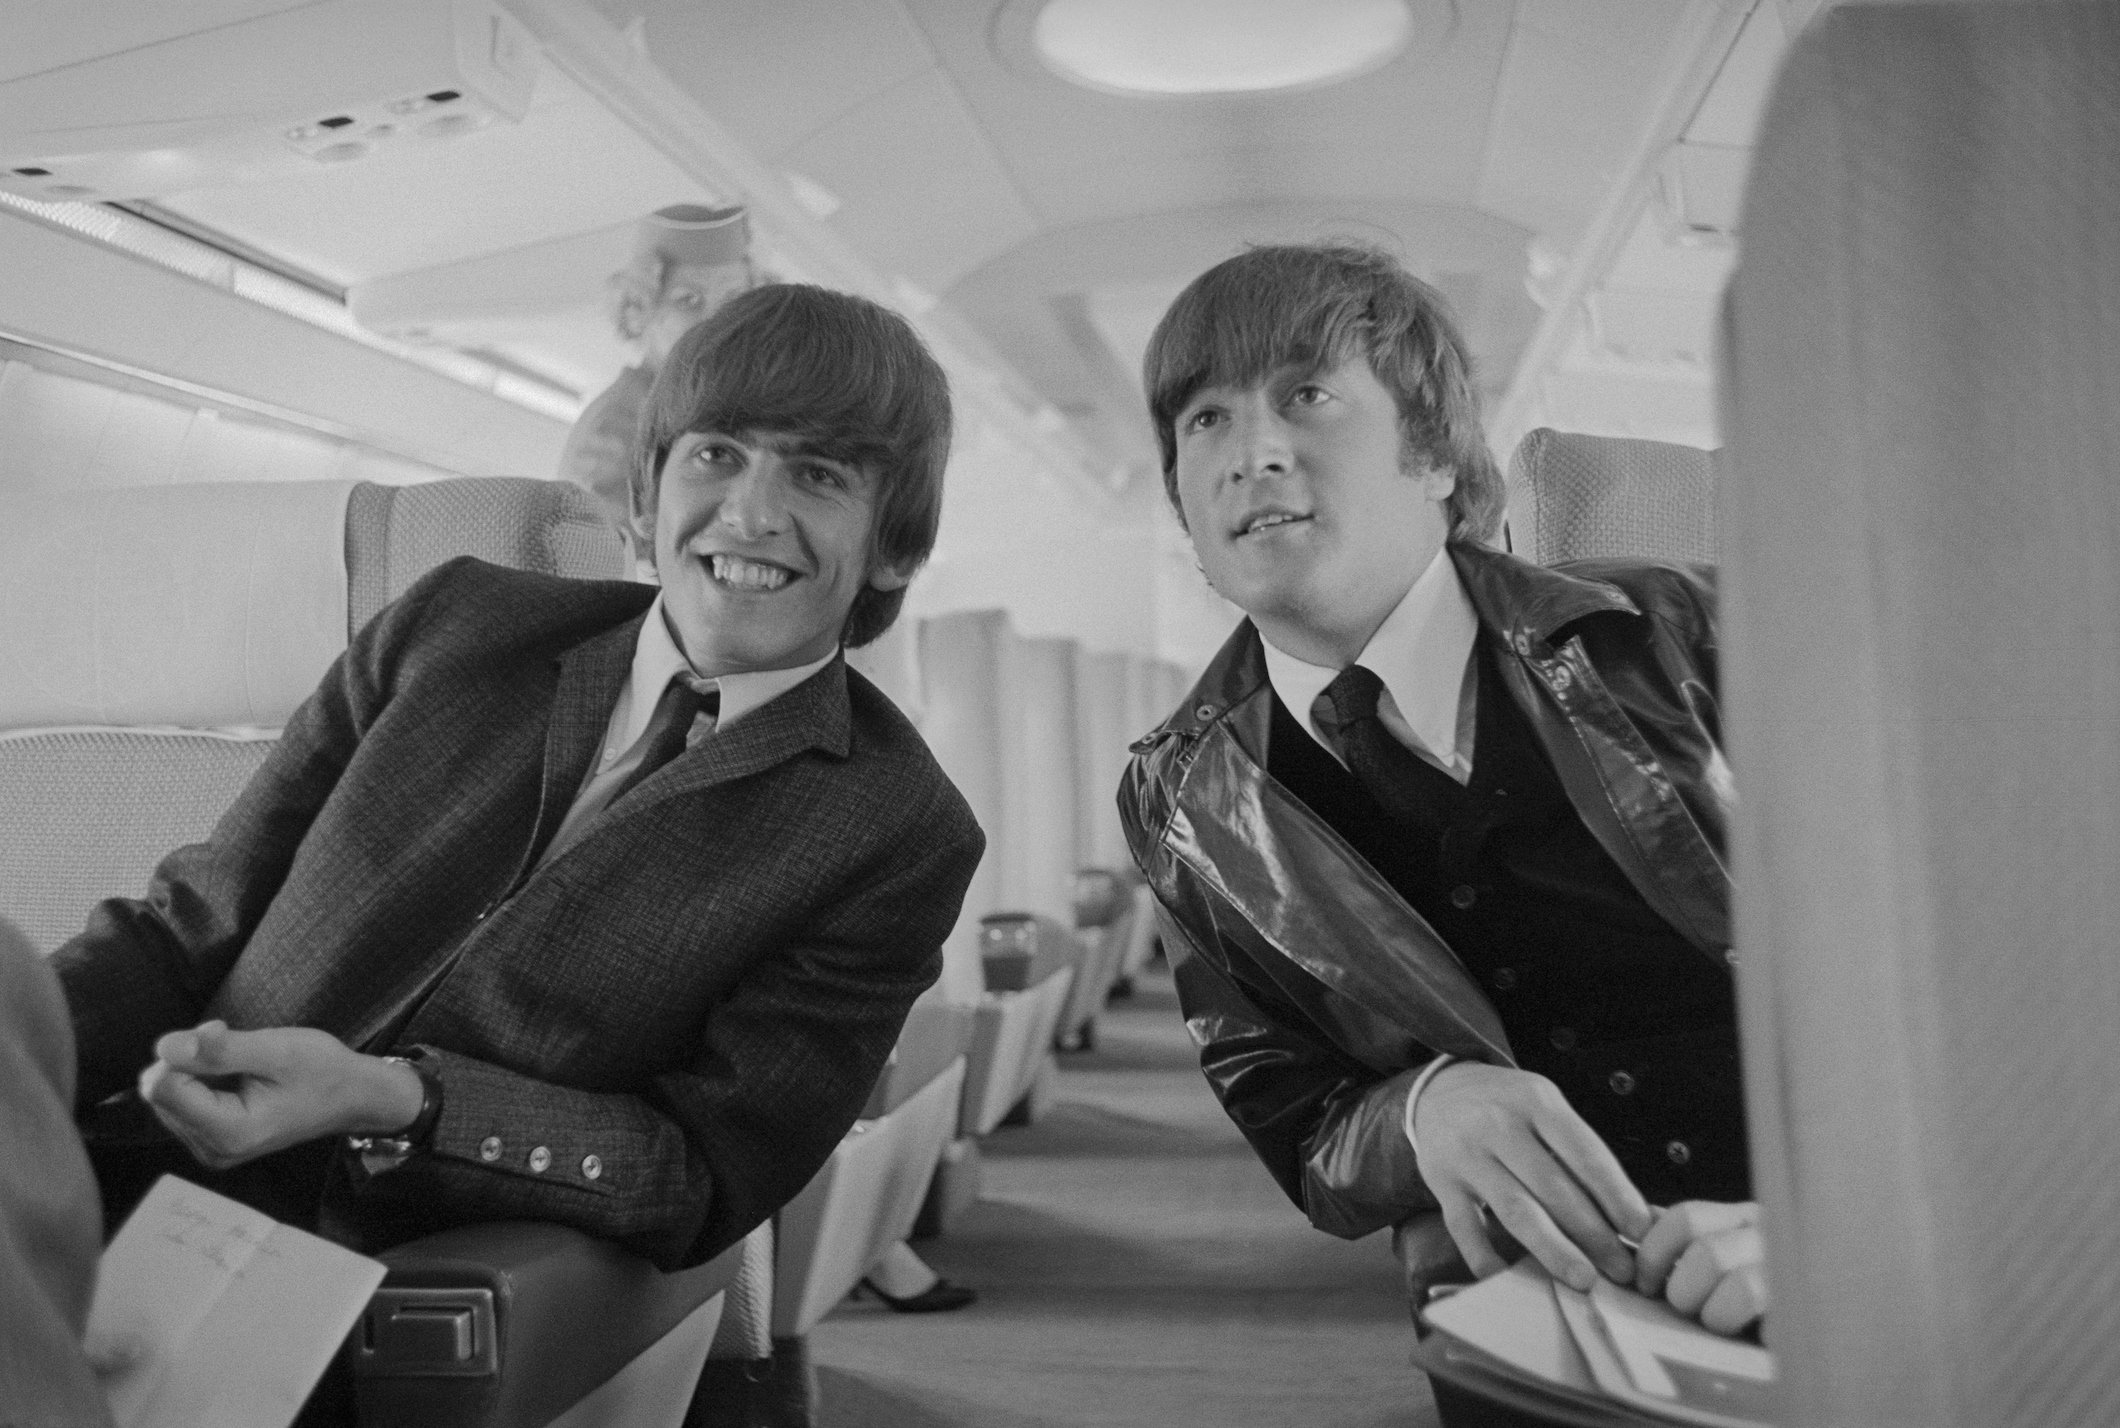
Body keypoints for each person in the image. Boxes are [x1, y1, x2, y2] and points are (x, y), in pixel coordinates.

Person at [49, 283, 986, 1417]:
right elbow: (185, 928)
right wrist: (26, 1042)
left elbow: (699, 1173)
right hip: (120, 1180)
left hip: (396, 1280)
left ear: (895, 546)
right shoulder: (457, 630)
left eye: (819, 476)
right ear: (648, 489)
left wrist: (394, 1102)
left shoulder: (893, 830)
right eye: (717, 455)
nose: (749, 512)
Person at [1114, 244, 1763, 1405]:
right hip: (1528, 1314)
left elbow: (1978, 979)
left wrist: (1830, 1217)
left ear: (1433, 457)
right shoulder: (1180, 794)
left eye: (1306, 395)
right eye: (1204, 418)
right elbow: (1294, 1116)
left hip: (1831, 1257)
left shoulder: (1683, 634)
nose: (1249, 450)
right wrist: (1415, 1113)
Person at [558, 202, 756, 559]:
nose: (716, 321)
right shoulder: (615, 427)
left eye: (733, 300)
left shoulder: (706, 413)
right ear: (639, 311)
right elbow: (598, 565)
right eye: (688, 300)